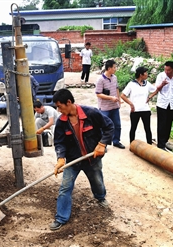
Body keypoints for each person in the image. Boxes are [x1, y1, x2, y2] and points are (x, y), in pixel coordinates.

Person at [49, 89, 114, 231]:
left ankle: (100, 197)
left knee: (97, 181)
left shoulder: (91, 113)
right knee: (65, 188)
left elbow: (109, 126)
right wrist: (60, 158)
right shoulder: (62, 122)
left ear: (69, 102)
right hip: (73, 161)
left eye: (60, 106)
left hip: (92, 158)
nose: (58, 110)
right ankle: (61, 217)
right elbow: (59, 142)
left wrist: (102, 144)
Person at [149, 61, 173, 150]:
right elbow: (157, 89)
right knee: (162, 123)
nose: (166, 72)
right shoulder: (161, 76)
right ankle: (160, 145)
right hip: (162, 103)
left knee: (169, 123)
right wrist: (162, 84)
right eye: (165, 69)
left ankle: (165, 141)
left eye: (168, 70)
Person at [120, 67, 156, 145]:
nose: (147, 74)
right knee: (133, 128)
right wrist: (131, 104)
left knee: (147, 129)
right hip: (135, 110)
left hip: (146, 109)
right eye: (146, 73)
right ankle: (132, 144)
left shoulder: (147, 84)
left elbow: (156, 90)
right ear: (141, 75)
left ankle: (149, 145)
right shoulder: (131, 84)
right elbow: (122, 95)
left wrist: (150, 97)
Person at [95, 59, 125, 149]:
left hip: (114, 106)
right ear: (109, 68)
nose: (115, 69)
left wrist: (118, 99)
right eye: (114, 67)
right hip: (104, 107)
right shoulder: (100, 80)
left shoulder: (114, 77)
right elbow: (98, 94)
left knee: (117, 125)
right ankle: (103, 144)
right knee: (104, 126)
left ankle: (116, 141)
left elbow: (116, 89)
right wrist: (111, 98)